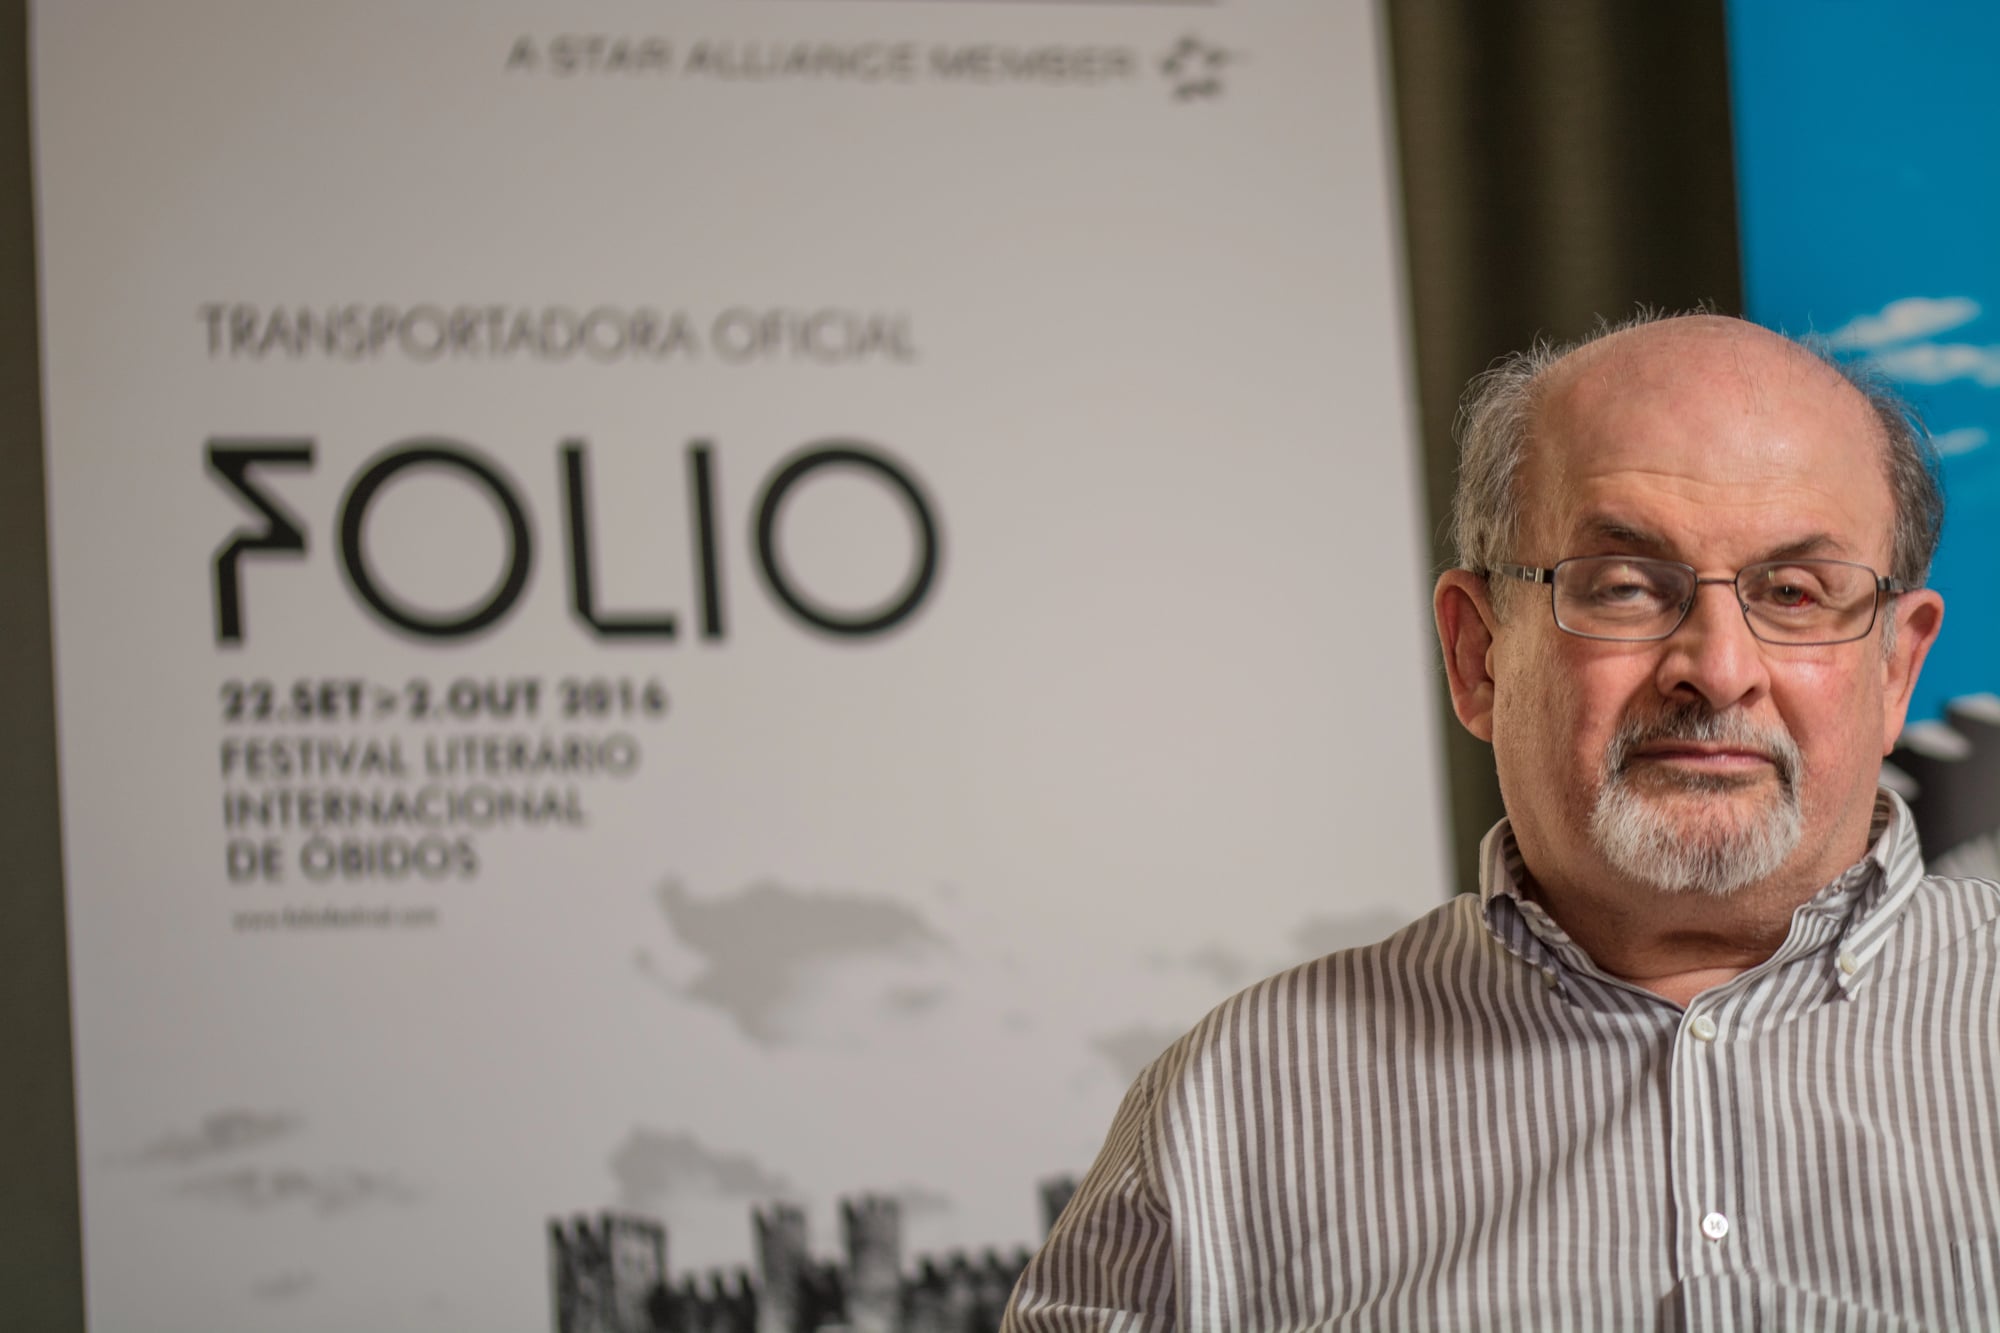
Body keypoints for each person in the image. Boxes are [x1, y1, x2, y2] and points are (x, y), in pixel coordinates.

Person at [1000, 312, 2000, 1330]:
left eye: (1792, 593)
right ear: (1477, 654)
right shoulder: (1232, 1107)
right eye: (1623, 587)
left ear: (1895, 668)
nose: (1716, 666)